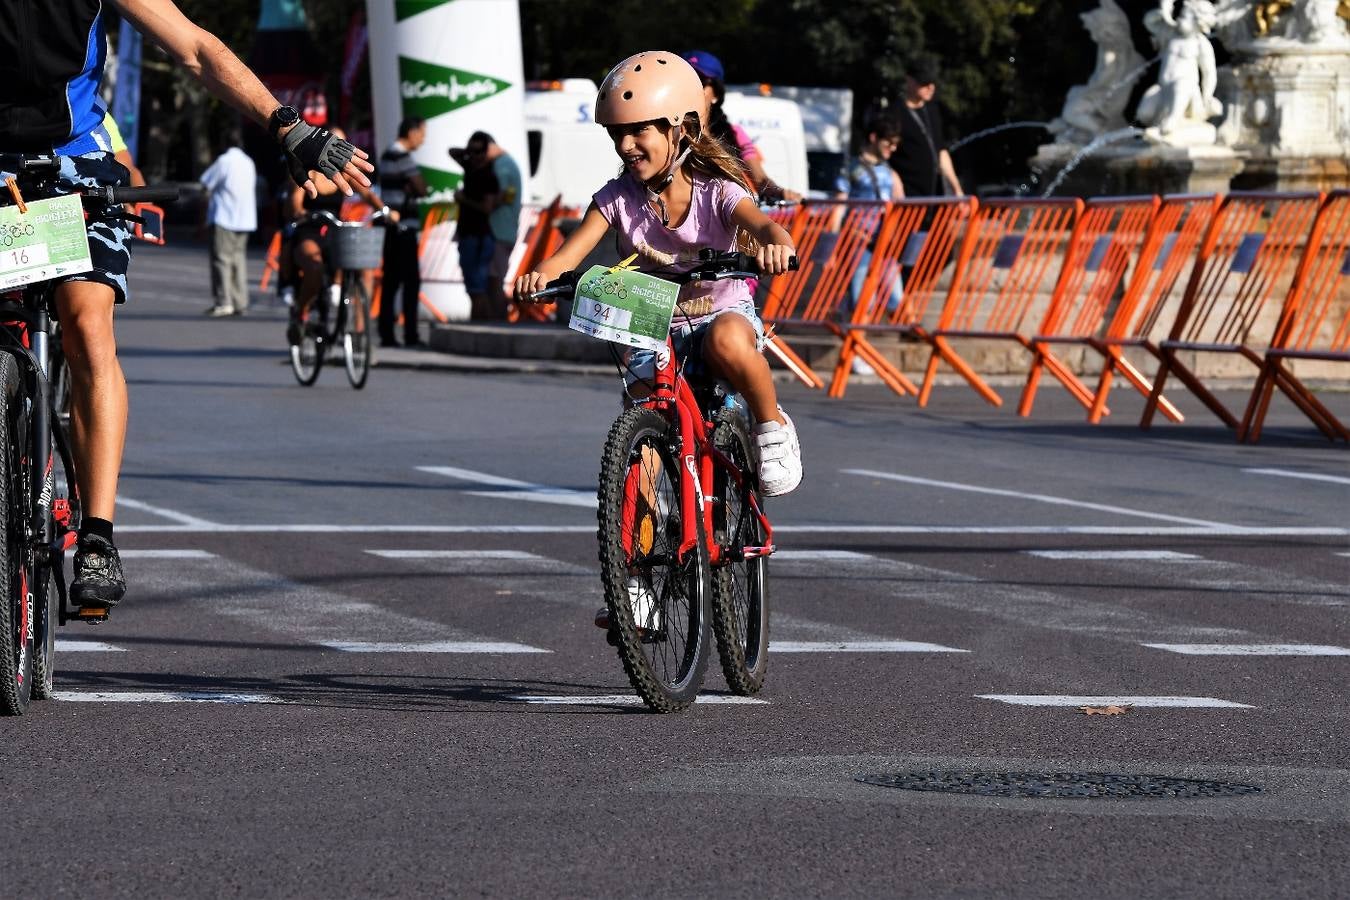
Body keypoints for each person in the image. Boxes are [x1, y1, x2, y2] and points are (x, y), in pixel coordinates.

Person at [0, 0, 373, 616]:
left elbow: (196, 49)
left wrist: (289, 127)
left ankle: (97, 536)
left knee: (87, 328)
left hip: (72, 159)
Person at [515, 50, 801, 494]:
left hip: (720, 315)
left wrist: (777, 247)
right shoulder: (617, 197)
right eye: (616, 134)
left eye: (638, 130)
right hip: (653, 327)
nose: (625, 145)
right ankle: (644, 534)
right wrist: (538, 277)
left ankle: (771, 425)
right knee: (641, 432)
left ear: (681, 129)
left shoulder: (717, 192)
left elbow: (766, 227)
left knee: (726, 339)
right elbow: (565, 257)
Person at [284, 128, 389, 344]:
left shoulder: (342, 170)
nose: (337, 146)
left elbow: (367, 193)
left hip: (335, 230)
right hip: (310, 229)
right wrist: (299, 211)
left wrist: (385, 210)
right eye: (334, 140)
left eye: (342, 141)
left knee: (364, 268)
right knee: (314, 266)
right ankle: (301, 313)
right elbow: (295, 199)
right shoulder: (307, 168)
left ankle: (360, 332)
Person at [680, 50, 801, 204]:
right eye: (684, 82)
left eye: (700, 81)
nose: (691, 89)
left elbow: (760, 180)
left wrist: (780, 192)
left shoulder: (735, 134)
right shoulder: (668, 132)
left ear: (716, 95)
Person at [834, 113, 905, 332]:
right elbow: (839, 205)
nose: (893, 148)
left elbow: (900, 200)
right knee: (862, 299)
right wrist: (833, 242)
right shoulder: (851, 169)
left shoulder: (889, 172)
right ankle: (854, 348)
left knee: (896, 299)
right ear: (874, 138)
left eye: (896, 144)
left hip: (884, 244)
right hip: (859, 242)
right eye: (889, 143)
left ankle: (846, 315)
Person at [377, 116, 428, 347]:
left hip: (390, 228)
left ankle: (386, 332)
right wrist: (414, 186)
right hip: (404, 228)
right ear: (412, 132)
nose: (423, 139)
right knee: (410, 282)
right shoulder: (402, 157)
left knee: (390, 282)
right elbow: (421, 188)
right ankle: (410, 334)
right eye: (422, 133)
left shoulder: (387, 154)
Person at [200, 127, 258, 317]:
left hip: (225, 217)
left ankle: (224, 301)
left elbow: (206, 184)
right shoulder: (248, 162)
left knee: (222, 260)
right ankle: (240, 301)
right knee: (238, 260)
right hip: (246, 218)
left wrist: (202, 215)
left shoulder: (224, 161)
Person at [887, 58, 965, 199]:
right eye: (924, 83)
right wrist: (893, 178)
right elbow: (883, 153)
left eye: (932, 83)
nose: (931, 87)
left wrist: (956, 188)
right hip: (908, 197)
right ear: (909, 81)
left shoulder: (933, 110)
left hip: (935, 194)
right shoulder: (894, 114)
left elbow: (940, 151)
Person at [450, 135, 500, 320]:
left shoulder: (488, 175)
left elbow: (487, 207)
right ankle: (482, 322)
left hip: (479, 236)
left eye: (479, 151)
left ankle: (480, 322)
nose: (474, 155)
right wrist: (469, 153)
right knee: (474, 286)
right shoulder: (470, 168)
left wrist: (464, 200)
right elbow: (452, 152)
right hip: (469, 234)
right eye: (471, 151)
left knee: (477, 286)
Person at [482, 132, 522, 321]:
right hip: (506, 230)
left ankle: (499, 320)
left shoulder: (502, 165)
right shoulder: (508, 162)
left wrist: (485, 204)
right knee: (495, 277)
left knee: (494, 279)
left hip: (499, 230)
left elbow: (503, 194)